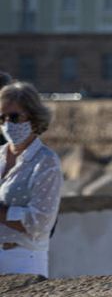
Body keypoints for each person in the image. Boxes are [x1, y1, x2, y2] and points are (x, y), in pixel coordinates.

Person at [0, 82, 61, 277]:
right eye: (2, 118)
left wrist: (2, 213)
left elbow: (41, 222)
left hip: (22, 259)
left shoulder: (46, 161)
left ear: (33, 117)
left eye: (15, 117)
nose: (8, 124)